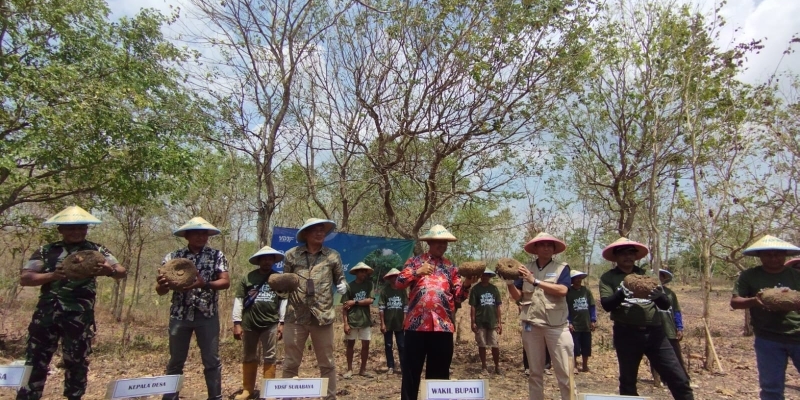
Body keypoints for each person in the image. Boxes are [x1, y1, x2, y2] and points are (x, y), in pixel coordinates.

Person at [17, 206, 126, 400]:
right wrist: (52, 275)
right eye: (70, 228)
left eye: (81, 228)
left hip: (78, 316)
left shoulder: (96, 250)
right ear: (60, 229)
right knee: (35, 361)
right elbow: (25, 278)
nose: (76, 232)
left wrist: (108, 271)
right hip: (46, 315)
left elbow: (121, 272)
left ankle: (74, 396)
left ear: (86, 229)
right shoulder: (46, 251)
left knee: (76, 361)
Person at [599, 237, 693, 400]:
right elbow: (607, 305)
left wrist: (658, 296)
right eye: (623, 253)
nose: (628, 256)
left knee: (678, 378)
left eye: (631, 253)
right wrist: (621, 294)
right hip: (626, 333)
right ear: (615, 257)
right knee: (628, 382)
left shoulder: (647, 275)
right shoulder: (608, 278)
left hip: (655, 333)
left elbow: (665, 305)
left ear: (636, 256)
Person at [395, 225, 479, 400]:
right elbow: (399, 282)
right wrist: (417, 273)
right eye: (438, 242)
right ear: (430, 243)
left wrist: (467, 283)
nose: (442, 245)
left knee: (439, 374)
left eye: (445, 243)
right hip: (416, 326)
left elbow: (458, 296)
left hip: (442, 327)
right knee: (411, 372)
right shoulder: (414, 262)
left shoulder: (451, 268)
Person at [156, 217, 231, 400]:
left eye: (204, 233)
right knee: (175, 361)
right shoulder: (172, 258)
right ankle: (170, 397)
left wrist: (204, 284)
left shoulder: (217, 255)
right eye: (196, 233)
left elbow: (225, 282)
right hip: (180, 315)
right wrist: (162, 285)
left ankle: (215, 397)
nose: (201, 236)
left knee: (211, 361)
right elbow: (160, 291)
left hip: (207, 314)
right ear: (187, 235)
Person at [281, 218, 347, 400]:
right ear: (306, 234)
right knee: (290, 363)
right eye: (315, 230)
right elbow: (285, 284)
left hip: (323, 316)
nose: (320, 233)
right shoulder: (291, 255)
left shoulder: (333, 256)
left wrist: (343, 286)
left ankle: (329, 397)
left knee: (327, 363)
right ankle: (288, 397)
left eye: (322, 230)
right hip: (295, 316)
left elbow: (340, 279)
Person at [505, 232, 574, 400]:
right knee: (535, 373)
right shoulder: (525, 268)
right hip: (532, 326)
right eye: (542, 244)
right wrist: (509, 283)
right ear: (535, 248)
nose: (546, 247)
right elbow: (519, 297)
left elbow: (563, 290)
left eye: (550, 245)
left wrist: (535, 281)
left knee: (565, 373)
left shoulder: (561, 268)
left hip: (556, 327)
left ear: (554, 249)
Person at [731, 235, 800, 400]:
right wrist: (754, 301)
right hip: (768, 338)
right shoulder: (749, 276)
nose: (774, 258)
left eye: (778, 254)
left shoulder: (796, 275)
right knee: (771, 389)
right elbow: (735, 302)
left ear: (785, 255)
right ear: (760, 256)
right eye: (768, 254)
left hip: (798, 334)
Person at [232, 246, 285, 400]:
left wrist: (282, 322)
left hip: (271, 323)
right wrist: (237, 323)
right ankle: (247, 390)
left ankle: (268, 391)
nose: (267, 261)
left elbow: (284, 301)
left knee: (270, 356)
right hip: (249, 323)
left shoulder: (278, 278)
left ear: (274, 260)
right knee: (249, 355)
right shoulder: (248, 278)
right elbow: (239, 300)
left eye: (270, 258)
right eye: (264, 258)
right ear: (259, 260)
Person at [650, 268, 687, 386]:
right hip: (654, 329)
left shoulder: (670, 294)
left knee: (675, 355)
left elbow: (676, 311)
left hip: (670, 329)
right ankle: (658, 379)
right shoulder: (646, 293)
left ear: (664, 279)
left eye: (661, 277)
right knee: (655, 355)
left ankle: (680, 380)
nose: (659, 279)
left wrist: (679, 327)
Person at [342, 262, 375, 379]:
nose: (363, 274)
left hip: (365, 320)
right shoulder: (349, 287)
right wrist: (345, 323)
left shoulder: (369, 285)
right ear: (356, 273)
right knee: (350, 344)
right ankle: (350, 369)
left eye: (365, 272)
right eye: (361, 271)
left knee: (366, 344)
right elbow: (345, 307)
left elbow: (370, 300)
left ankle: (363, 370)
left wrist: (355, 302)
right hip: (352, 320)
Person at [469, 268, 503, 376]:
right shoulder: (475, 289)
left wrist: (499, 322)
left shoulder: (494, 289)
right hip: (480, 321)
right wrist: (473, 322)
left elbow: (498, 306)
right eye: (483, 275)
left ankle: (497, 366)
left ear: (490, 277)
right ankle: (484, 366)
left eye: (487, 275)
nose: (485, 277)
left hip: (492, 321)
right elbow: (473, 306)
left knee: (495, 345)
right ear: (480, 276)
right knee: (482, 344)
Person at [566, 269, 596, 373]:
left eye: (579, 278)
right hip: (575, 324)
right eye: (575, 279)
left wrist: (593, 320)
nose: (578, 280)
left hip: (586, 323)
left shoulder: (586, 291)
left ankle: (585, 365)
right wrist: (569, 322)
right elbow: (566, 308)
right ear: (572, 280)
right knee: (574, 345)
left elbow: (592, 306)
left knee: (586, 345)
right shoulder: (568, 292)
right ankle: (574, 366)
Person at [379, 268, 407, 375]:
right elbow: (381, 307)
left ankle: (403, 366)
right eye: (392, 277)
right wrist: (382, 323)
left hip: (400, 323)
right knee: (388, 345)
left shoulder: (402, 290)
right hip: (388, 323)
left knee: (402, 345)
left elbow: (406, 306)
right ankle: (390, 366)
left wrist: (405, 320)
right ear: (389, 278)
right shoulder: (385, 291)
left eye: (396, 277)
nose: (394, 278)